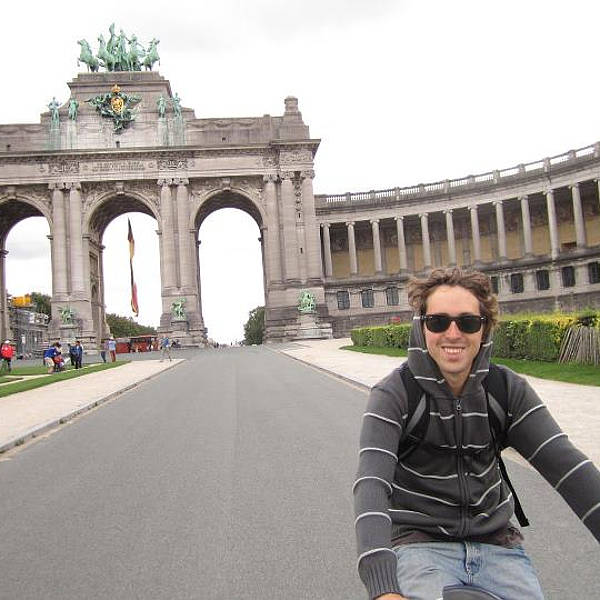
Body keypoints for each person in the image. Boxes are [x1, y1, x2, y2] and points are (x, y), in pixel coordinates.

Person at [353, 267, 600, 600]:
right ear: (421, 325)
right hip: (420, 545)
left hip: (499, 548)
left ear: (484, 329)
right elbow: (371, 486)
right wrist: (383, 587)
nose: (453, 333)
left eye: (468, 322)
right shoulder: (394, 395)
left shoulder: (506, 390)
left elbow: (569, 469)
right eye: (438, 322)